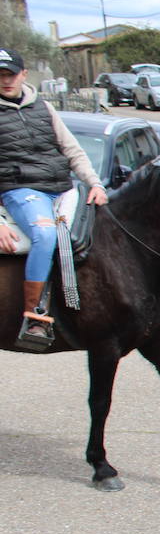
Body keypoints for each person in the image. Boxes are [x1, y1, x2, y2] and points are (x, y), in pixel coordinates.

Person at [0, 48, 108, 343]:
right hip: (21, 191)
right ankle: (34, 315)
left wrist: (95, 184)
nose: (6, 81)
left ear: (23, 74)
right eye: (0, 76)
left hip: (63, 186)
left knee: (104, 230)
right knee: (46, 237)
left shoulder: (43, 108)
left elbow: (72, 149)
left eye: (11, 74)